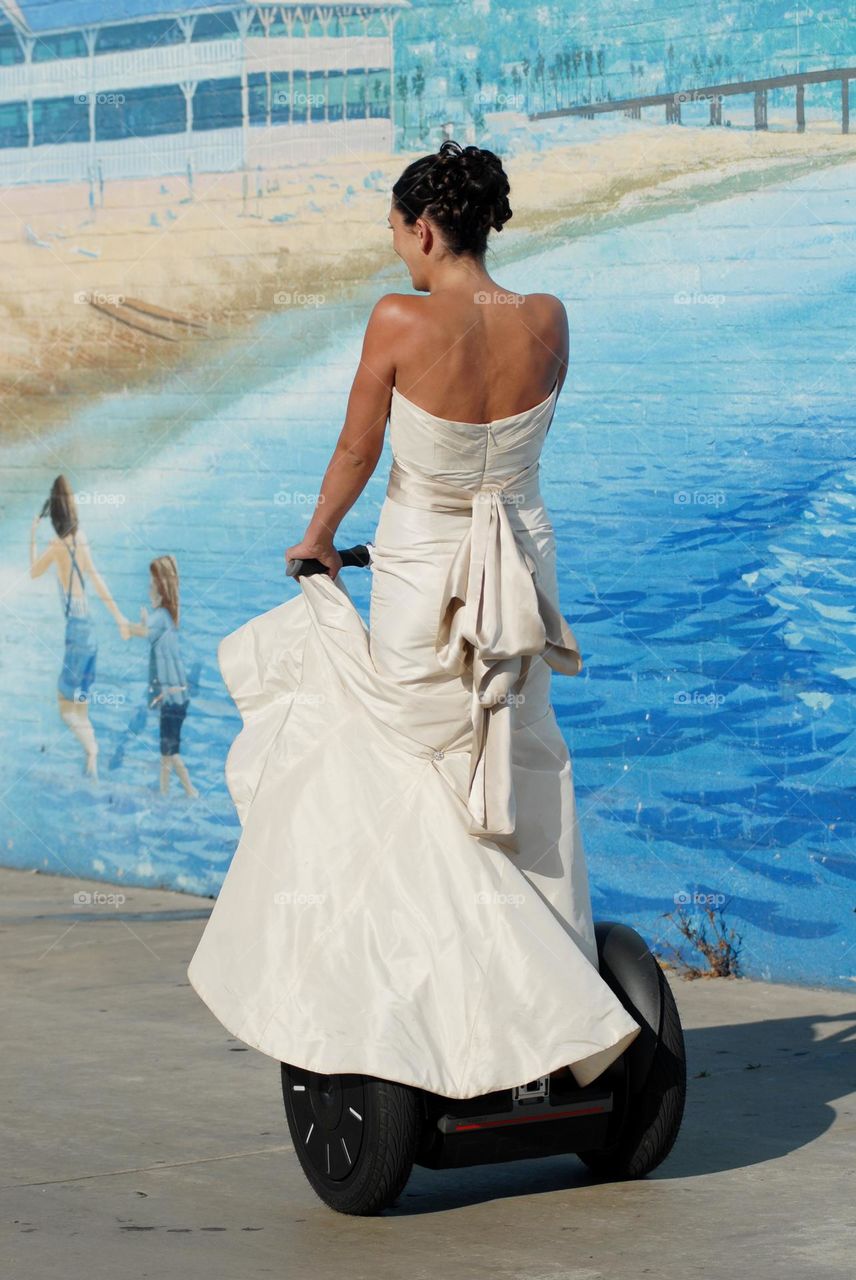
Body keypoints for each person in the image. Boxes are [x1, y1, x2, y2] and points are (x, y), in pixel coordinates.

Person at [187, 140, 641, 1100]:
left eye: (397, 233)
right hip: (519, 577)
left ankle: (478, 1005)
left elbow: (358, 450)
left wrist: (318, 538)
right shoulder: (548, 318)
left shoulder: (399, 318)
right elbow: (511, 451)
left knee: (410, 765)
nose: (397, 252)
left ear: (426, 229)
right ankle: (542, 997)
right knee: (515, 759)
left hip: (426, 578)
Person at [29, 475, 128, 779]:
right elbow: (96, 580)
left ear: (54, 515)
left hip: (76, 632)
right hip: (91, 631)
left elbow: (33, 572)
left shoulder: (56, 546)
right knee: (81, 705)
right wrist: (120, 619)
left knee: (64, 705)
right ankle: (91, 765)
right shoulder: (81, 538)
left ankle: (92, 750)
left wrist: (32, 534)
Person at [122, 555, 198, 799]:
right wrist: (140, 625)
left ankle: (191, 791)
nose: (148, 588)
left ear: (160, 587)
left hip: (172, 700)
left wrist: (126, 625)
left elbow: (145, 631)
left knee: (170, 753)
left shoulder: (162, 617)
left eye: (151, 584)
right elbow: (150, 631)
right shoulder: (166, 617)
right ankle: (164, 793)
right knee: (166, 752)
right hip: (176, 699)